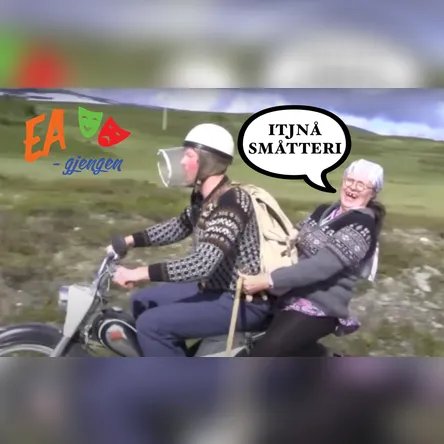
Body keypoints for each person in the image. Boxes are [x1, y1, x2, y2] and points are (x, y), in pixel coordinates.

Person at [107, 123, 272, 356]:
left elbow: (201, 264)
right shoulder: (204, 197)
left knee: (152, 325)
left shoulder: (232, 202)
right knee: (141, 301)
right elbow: (179, 226)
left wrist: (140, 273)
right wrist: (129, 240)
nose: (182, 162)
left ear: (207, 161)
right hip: (212, 287)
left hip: (241, 300)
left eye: (189, 155)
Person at [239, 158, 386, 357]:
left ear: (373, 193)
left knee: (264, 354)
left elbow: (321, 266)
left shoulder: (362, 227)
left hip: (320, 304)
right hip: (288, 293)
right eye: (350, 180)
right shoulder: (323, 211)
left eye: (361, 184)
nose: (353, 187)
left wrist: (268, 280)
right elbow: (292, 239)